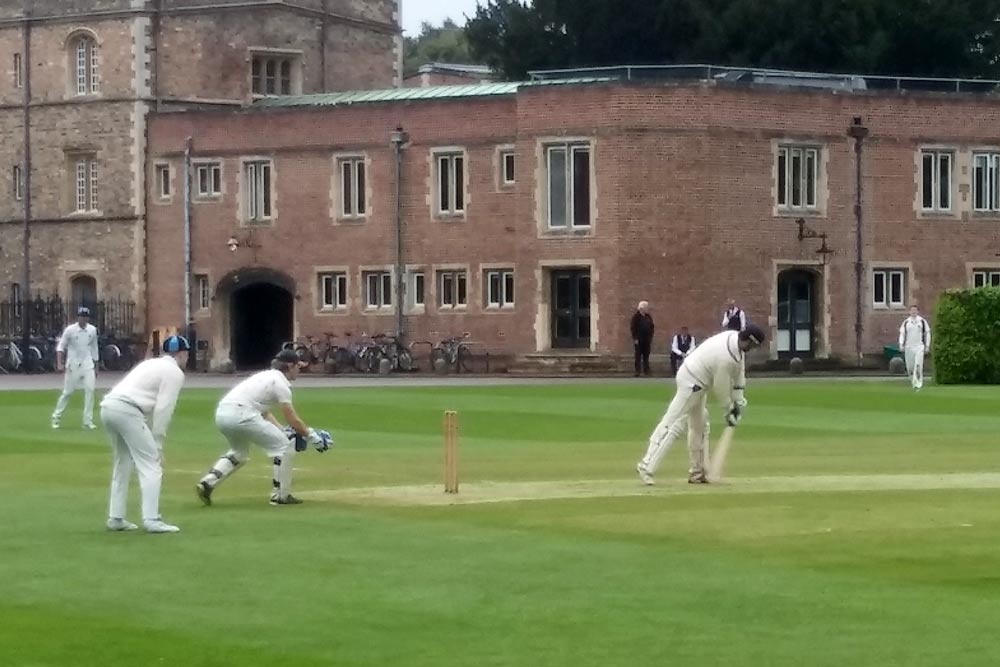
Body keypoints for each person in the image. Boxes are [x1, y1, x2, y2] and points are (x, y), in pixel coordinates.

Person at [196, 349, 329, 506]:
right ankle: (281, 495)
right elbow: (292, 418)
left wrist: (281, 429)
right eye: (297, 366)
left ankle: (208, 483)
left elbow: (264, 411)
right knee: (284, 447)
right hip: (242, 415)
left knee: (239, 453)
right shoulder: (280, 384)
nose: (299, 370)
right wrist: (312, 436)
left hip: (223, 414)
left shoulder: (264, 377)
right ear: (289, 366)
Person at [637, 324, 766, 485]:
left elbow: (739, 373)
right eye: (753, 345)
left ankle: (697, 473)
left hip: (701, 382)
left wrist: (739, 401)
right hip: (691, 380)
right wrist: (729, 410)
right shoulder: (725, 356)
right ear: (748, 340)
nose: (753, 349)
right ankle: (646, 465)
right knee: (674, 423)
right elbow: (720, 388)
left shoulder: (737, 343)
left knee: (700, 425)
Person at [100, 335, 189, 533]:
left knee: (122, 463)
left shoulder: (151, 364)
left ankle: (116, 517)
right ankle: (152, 519)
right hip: (127, 410)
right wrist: (158, 443)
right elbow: (164, 408)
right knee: (151, 464)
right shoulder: (174, 372)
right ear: (183, 354)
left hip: (108, 406)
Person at [52, 306, 100, 430]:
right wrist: (59, 363)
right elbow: (60, 347)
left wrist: (96, 366)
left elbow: (94, 348)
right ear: (78, 317)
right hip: (73, 364)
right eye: (81, 316)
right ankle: (56, 417)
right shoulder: (70, 330)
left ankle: (87, 421)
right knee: (68, 392)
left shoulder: (92, 330)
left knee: (90, 390)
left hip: (87, 363)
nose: (83, 319)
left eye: (85, 316)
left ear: (88, 318)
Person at [898, 305, 931, 391]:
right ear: (909, 312)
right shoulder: (906, 322)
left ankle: (918, 384)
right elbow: (902, 334)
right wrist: (901, 344)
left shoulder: (922, 322)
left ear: (918, 311)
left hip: (919, 346)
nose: (913, 312)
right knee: (910, 368)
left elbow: (927, 333)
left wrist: (927, 345)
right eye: (912, 310)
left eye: (915, 310)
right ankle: (913, 382)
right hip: (908, 347)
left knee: (918, 365)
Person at [630, 301, 655, 377]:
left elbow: (652, 326)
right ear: (641, 308)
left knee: (646, 356)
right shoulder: (636, 317)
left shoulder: (648, 316)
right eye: (646, 307)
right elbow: (633, 328)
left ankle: (646, 371)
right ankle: (637, 371)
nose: (647, 309)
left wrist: (650, 336)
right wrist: (635, 338)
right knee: (638, 355)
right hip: (639, 339)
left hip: (647, 339)